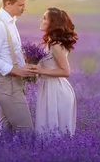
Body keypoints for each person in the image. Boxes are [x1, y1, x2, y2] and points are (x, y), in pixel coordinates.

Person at [0, 0, 37, 134]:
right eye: (20, 5)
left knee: (7, 131)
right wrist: (18, 70)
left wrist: (25, 61)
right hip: (6, 85)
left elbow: (8, 52)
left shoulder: (10, 22)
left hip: (14, 83)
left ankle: (3, 158)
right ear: (8, 3)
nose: (24, 8)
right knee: (26, 131)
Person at [32, 7, 77, 137]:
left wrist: (41, 70)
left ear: (53, 23)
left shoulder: (56, 45)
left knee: (54, 130)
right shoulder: (50, 42)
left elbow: (65, 71)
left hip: (56, 90)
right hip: (48, 87)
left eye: (45, 18)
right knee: (48, 128)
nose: (42, 20)